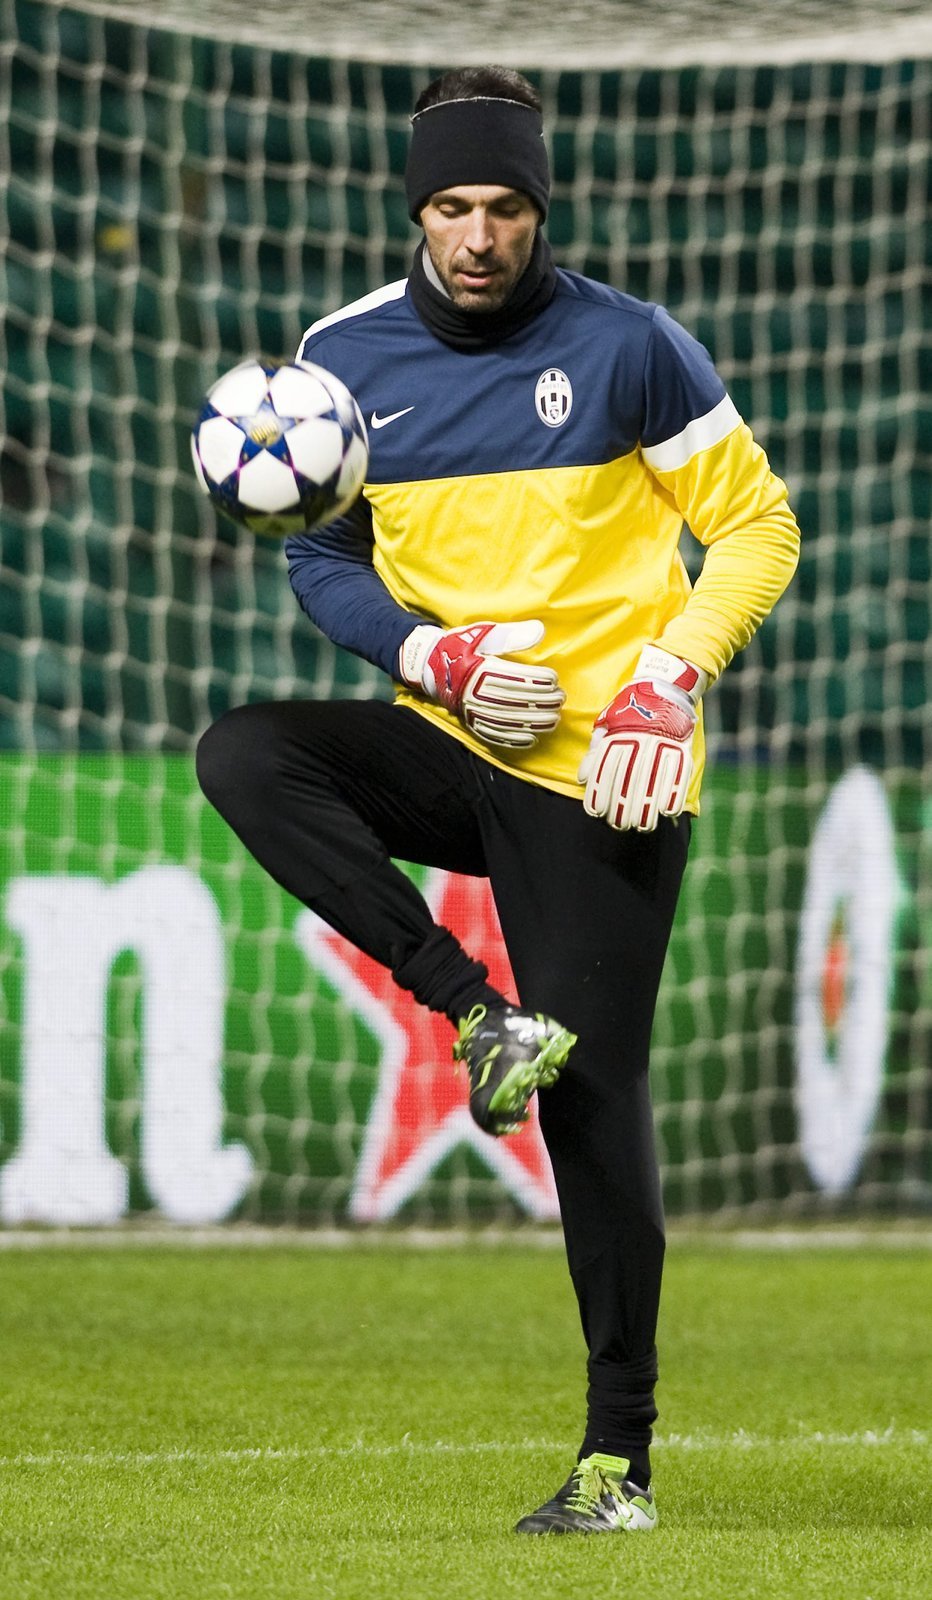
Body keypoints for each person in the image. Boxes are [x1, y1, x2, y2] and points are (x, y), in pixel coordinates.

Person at [197, 64, 800, 1535]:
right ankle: (475, 1012)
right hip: (458, 732)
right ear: (418, 209)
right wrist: (429, 651)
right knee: (246, 752)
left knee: (596, 1102)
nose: (480, 234)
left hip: (609, 764)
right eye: (454, 206)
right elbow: (321, 555)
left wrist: (671, 673)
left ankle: (617, 1461)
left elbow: (754, 528)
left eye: (506, 207)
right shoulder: (340, 359)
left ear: (542, 209)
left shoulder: (632, 348)